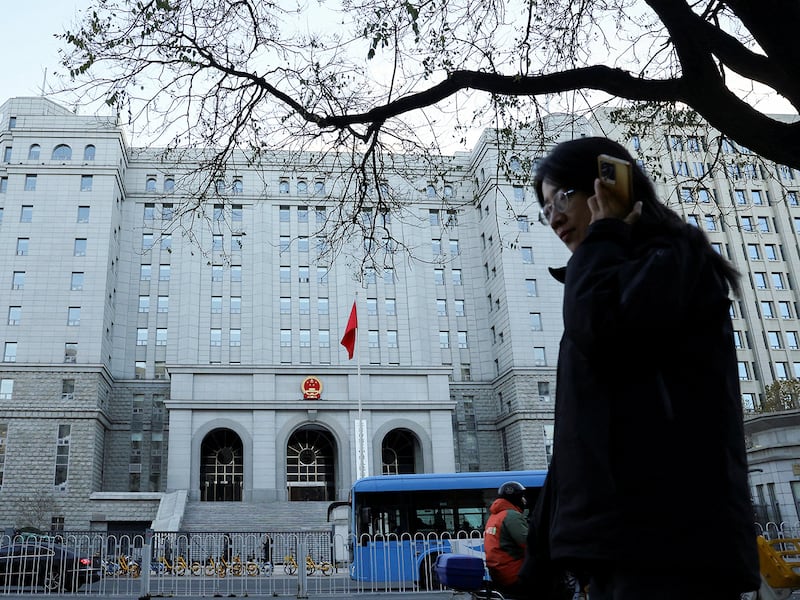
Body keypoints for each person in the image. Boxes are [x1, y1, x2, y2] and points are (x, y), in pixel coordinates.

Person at [518, 136, 760, 599]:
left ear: (609, 186)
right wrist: (542, 552)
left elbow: (603, 335)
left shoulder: (672, 264)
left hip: (669, 545)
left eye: (563, 197)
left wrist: (606, 236)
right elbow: (580, 432)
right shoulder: (610, 273)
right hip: (625, 546)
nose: (554, 218)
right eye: (545, 209)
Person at [485, 481, 528, 598]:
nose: (524, 500)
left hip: (498, 572)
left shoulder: (493, 517)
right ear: (516, 498)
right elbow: (529, 543)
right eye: (522, 497)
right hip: (513, 573)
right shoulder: (512, 516)